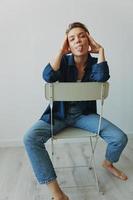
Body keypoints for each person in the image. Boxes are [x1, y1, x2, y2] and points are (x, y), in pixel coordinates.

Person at [23, 22, 128, 200]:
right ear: (68, 45)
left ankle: (108, 163)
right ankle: (58, 194)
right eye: (72, 38)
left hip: (84, 116)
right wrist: (61, 51)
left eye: (82, 36)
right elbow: (47, 76)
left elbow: (102, 78)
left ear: (88, 39)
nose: (78, 41)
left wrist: (101, 49)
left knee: (120, 138)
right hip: (58, 115)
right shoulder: (63, 62)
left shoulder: (96, 64)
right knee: (30, 138)